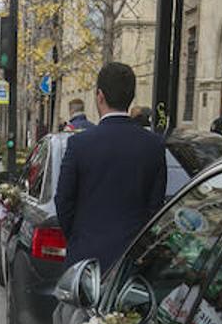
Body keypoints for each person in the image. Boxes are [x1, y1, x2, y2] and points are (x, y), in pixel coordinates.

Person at [55, 62, 167, 270]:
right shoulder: (153, 145)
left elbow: (63, 201)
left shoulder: (79, 144)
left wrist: (80, 238)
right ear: (131, 97)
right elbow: (155, 208)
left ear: (100, 96)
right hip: (131, 263)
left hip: (85, 262)